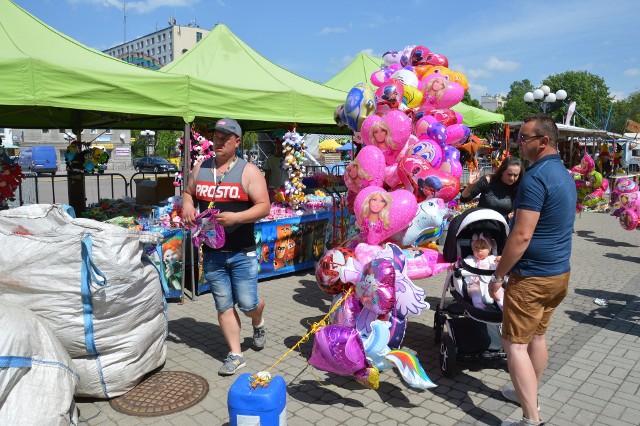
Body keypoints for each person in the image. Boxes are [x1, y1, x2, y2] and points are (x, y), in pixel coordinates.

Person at [488, 114, 577, 426]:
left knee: (514, 344)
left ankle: (531, 418)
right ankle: (526, 393)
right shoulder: (562, 174)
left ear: (544, 142)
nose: (518, 143)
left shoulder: (536, 177)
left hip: (532, 277)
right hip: (558, 273)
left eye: (524, 138)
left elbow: (522, 236)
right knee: (537, 338)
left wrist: (498, 274)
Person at [182, 118, 271, 376]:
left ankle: (258, 318)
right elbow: (189, 192)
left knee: (248, 303)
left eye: (225, 137)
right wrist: (188, 204)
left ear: (237, 142)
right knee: (223, 305)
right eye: (216, 137)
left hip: (242, 252)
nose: (218, 141)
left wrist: (236, 218)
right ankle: (236, 354)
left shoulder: (248, 171)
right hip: (211, 253)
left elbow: (263, 205)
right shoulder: (201, 168)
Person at [459, 156, 524, 220]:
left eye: (516, 175)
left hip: (502, 227)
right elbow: (464, 199)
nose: (512, 178)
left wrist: (513, 212)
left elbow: (519, 206)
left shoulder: (518, 187)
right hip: (481, 224)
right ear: (502, 171)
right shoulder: (488, 181)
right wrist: (470, 185)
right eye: (509, 174)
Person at [463, 233, 503, 310]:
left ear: (489, 249)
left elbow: (498, 268)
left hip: (491, 283)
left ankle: (501, 304)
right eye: (476, 247)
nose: (479, 250)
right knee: (474, 291)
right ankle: (478, 305)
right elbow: (463, 263)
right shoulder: (470, 259)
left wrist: (500, 261)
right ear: (472, 249)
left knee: (499, 290)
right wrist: (456, 264)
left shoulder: (492, 259)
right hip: (475, 283)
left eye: (483, 247)